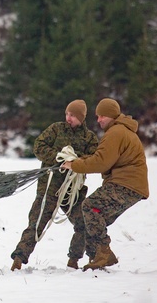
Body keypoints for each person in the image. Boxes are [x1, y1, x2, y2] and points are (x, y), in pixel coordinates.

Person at [61, 97, 149, 270]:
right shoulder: (121, 131)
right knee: (94, 218)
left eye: (102, 116)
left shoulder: (115, 133)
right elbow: (100, 157)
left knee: (89, 207)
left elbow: (101, 162)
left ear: (112, 116)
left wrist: (74, 165)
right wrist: (81, 160)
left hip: (125, 184)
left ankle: (104, 254)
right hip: (133, 187)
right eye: (97, 116)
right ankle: (97, 257)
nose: (99, 120)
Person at [10, 99, 98, 271]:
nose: (68, 118)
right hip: (49, 189)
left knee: (84, 224)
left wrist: (76, 161)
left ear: (81, 117)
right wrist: (59, 157)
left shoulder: (90, 138)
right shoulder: (56, 129)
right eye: (67, 114)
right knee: (36, 224)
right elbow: (38, 147)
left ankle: (74, 260)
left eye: (72, 115)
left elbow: (95, 160)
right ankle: (18, 259)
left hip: (73, 192)